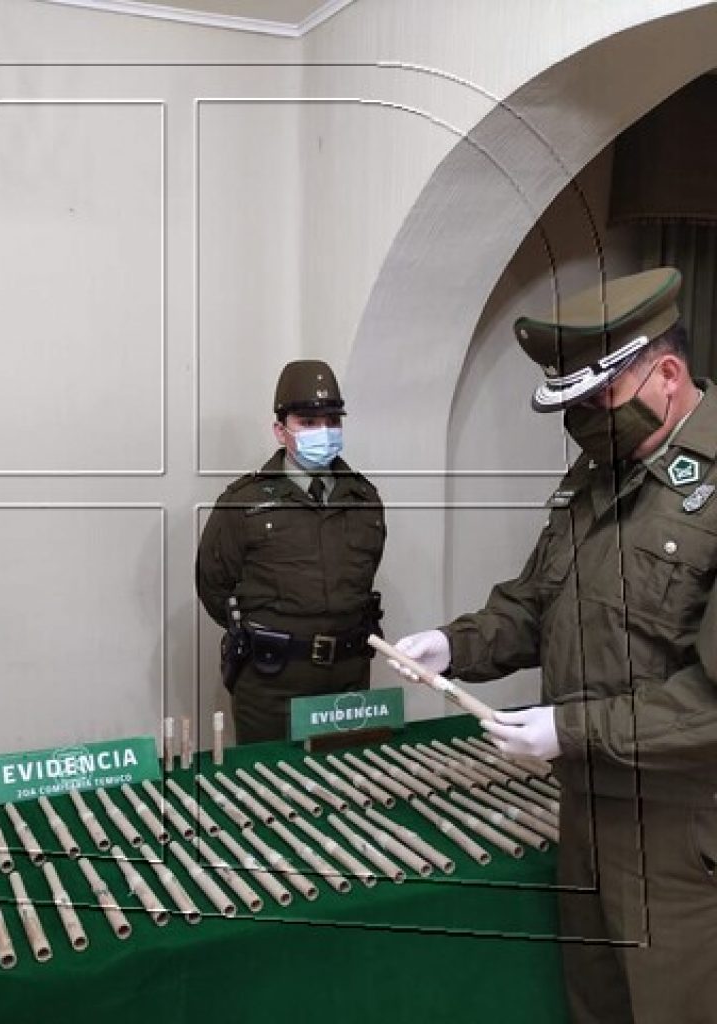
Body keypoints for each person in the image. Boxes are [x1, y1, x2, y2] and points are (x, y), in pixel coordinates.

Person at [395, 267, 717, 1024]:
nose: (583, 423)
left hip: (683, 829)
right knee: (596, 1006)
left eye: (596, 400)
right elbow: (539, 604)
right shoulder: (600, 474)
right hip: (586, 805)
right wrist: (454, 644)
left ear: (665, 375)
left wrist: (566, 729)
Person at [196, 359, 385, 743]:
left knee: (353, 788)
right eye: (309, 423)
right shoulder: (243, 503)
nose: (324, 432)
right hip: (272, 684)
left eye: (333, 421)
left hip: (349, 681)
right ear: (281, 431)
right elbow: (215, 587)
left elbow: (364, 575)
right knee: (271, 794)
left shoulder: (364, 498)